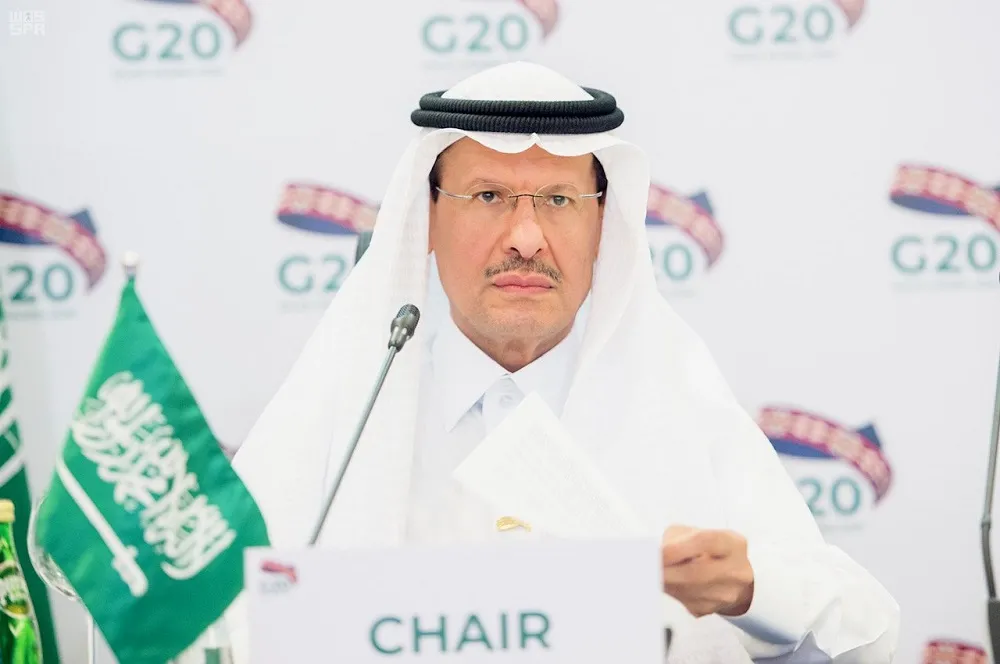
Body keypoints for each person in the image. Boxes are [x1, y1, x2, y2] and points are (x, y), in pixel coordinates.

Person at [216, 61, 900, 662]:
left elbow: (869, 637)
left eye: (559, 200)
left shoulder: (677, 397)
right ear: (427, 220)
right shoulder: (351, 405)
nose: (526, 237)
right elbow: (218, 626)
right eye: (488, 196)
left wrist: (749, 589)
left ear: (603, 225)